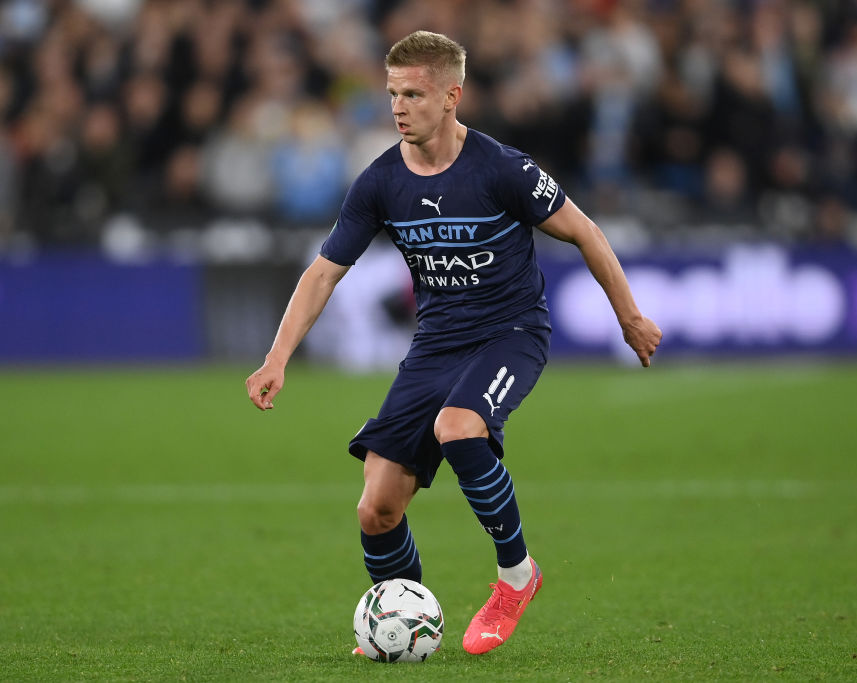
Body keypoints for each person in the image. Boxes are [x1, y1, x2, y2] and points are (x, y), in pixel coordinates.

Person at [245, 30, 662, 656]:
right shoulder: (380, 182)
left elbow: (586, 232)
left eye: (413, 94)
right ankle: (402, 623)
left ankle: (517, 576)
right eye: (392, 93)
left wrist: (629, 317)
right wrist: (277, 357)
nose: (398, 106)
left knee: (458, 427)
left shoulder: (502, 168)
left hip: (511, 333)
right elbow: (324, 272)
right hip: (435, 345)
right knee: (376, 510)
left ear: (451, 96)